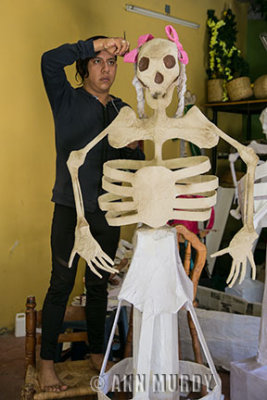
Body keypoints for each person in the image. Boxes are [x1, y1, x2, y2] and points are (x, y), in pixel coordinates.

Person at [40, 35, 144, 392]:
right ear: (84, 65)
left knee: (98, 285)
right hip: (70, 207)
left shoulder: (122, 110)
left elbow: (132, 165)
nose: (106, 69)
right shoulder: (66, 99)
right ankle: (47, 363)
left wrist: (134, 149)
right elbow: (49, 60)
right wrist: (96, 43)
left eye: (111, 62)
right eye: (98, 61)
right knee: (62, 285)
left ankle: (97, 353)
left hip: (106, 211)